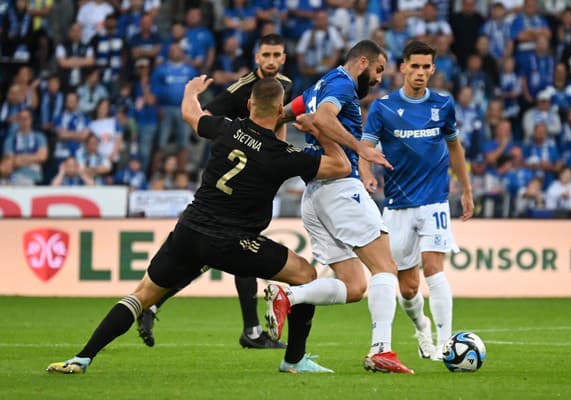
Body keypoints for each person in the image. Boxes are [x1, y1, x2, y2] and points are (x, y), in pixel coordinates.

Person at [46, 75, 351, 375]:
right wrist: (320, 131)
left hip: (189, 231)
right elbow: (341, 166)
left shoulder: (226, 128)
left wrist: (191, 91)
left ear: (248, 104)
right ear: (280, 110)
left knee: (141, 296)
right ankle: (294, 360)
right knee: (305, 275)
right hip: (232, 241)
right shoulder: (280, 154)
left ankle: (81, 358)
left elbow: (191, 113)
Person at [264, 40, 414, 374]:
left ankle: (289, 296)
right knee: (386, 267)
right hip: (341, 190)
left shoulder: (319, 85)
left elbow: (280, 114)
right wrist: (361, 148)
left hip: (315, 194)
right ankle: (381, 351)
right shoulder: (343, 85)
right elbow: (323, 117)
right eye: (377, 70)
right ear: (362, 62)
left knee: (354, 287)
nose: (377, 79)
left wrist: (272, 152)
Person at [136, 34, 293, 350]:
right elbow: (204, 117)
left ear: (284, 57)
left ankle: (153, 303)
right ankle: (250, 331)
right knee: (240, 247)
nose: (272, 61)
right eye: (266, 55)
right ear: (256, 57)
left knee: (209, 255)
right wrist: (239, 140)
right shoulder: (241, 89)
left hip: (263, 174)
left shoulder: (286, 84)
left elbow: (282, 121)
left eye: (277, 54)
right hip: (235, 179)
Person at [358, 40, 474, 360]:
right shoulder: (383, 108)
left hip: (435, 200)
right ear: (403, 67)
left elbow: (455, 148)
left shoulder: (443, 104)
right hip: (397, 205)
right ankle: (421, 326)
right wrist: (366, 174)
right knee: (408, 288)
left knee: (434, 269)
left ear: (433, 69)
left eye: (427, 67)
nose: (421, 72)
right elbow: (365, 150)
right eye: (416, 66)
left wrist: (466, 189)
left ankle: (447, 345)